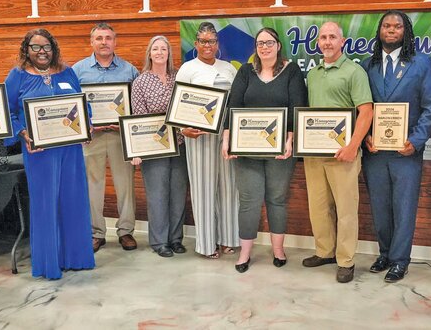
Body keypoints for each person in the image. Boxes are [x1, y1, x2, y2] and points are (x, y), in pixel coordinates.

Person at [5, 28, 95, 280]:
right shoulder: (18, 76)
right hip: (39, 151)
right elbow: (7, 111)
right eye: (35, 47)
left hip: (70, 149)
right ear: (27, 50)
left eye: (46, 46)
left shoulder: (67, 72)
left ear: (53, 48)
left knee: (73, 200)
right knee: (45, 204)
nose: (42, 51)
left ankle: (76, 258)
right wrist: (22, 132)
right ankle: (49, 263)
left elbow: (82, 103)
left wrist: (86, 122)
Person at [360, 10, 431, 283]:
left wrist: (416, 142)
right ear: (379, 31)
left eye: (397, 26)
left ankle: (400, 260)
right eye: (386, 26)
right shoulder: (366, 65)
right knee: (379, 206)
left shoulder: (421, 63)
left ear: (405, 31)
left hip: (406, 152)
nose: (391, 30)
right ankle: (384, 254)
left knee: (404, 207)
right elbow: (362, 108)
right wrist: (364, 136)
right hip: (375, 152)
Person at [221, 27, 307, 273]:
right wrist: (227, 139)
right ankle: (245, 253)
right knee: (248, 201)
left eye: (269, 42)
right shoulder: (246, 71)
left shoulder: (291, 70)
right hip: (247, 150)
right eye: (260, 43)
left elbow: (297, 105)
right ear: (256, 47)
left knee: (277, 199)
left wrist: (291, 139)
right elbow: (233, 105)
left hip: (281, 150)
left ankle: (278, 250)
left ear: (278, 45)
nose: (265, 47)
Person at [302, 22, 373, 283]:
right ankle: (325, 251)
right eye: (323, 37)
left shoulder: (354, 72)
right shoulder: (313, 74)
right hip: (314, 155)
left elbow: (366, 111)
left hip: (344, 154)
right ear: (318, 42)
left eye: (333, 37)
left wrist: (353, 146)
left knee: (346, 210)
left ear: (342, 41)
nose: (328, 42)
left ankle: (345, 260)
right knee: (318, 207)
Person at [71, 22, 140, 253]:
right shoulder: (78, 71)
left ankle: (126, 231)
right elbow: (71, 105)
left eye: (108, 38)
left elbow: (137, 105)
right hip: (92, 137)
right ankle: (96, 232)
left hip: (121, 136)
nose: (104, 42)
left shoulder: (129, 70)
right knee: (93, 185)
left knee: (125, 185)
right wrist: (82, 129)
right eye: (99, 38)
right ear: (91, 42)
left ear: (115, 41)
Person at [175, 22, 240, 259]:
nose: (207, 45)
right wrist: (183, 129)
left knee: (228, 187)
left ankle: (228, 238)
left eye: (211, 41)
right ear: (196, 44)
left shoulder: (229, 69)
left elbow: (236, 101)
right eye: (203, 41)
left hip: (225, 134)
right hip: (198, 135)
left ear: (217, 44)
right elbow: (178, 104)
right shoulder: (187, 69)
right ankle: (206, 244)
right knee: (203, 188)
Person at [129, 35, 188, 258]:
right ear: (149, 53)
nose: (160, 52)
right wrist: (137, 152)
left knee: (178, 193)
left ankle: (175, 239)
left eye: (164, 49)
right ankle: (159, 241)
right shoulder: (140, 82)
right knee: (158, 195)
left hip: (180, 144)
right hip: (154, 148)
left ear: (169, 53)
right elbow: (137, 118)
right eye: (156, 49)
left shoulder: (178, 78)